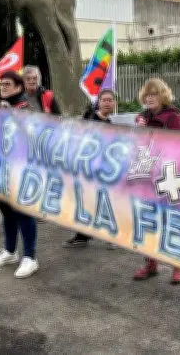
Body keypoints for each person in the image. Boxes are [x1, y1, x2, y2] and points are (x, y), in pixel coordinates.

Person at [132, 78, 180, 285]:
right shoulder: (141, 117)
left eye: (154, 94)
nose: (150, 98)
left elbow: (178, 144)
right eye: (147, 95)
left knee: (171, 220)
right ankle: (151, 262)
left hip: (168, 174)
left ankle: (178, 265)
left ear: (162, 95)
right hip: (147, 174)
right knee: (148, 218)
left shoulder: (173, 117)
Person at [0, 71, 40, 279]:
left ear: (19, 86)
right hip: (0, 166)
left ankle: (30, 257)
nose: (3, 87)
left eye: (8, 84)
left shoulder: (26, 106)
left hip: (22, 167)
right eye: (1, 84)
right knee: (7, 211)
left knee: (23, 211)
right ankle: (10, 251)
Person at [63, 89, 118, 248]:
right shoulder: (90, 118)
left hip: (103, 171)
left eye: (110, 100)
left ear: (114, 104)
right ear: (98, 103)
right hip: (86, 168)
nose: (107, 103)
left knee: (104, 203)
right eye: (104, 100)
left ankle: (111, 236)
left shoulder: (111, 125)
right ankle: (82, 236)